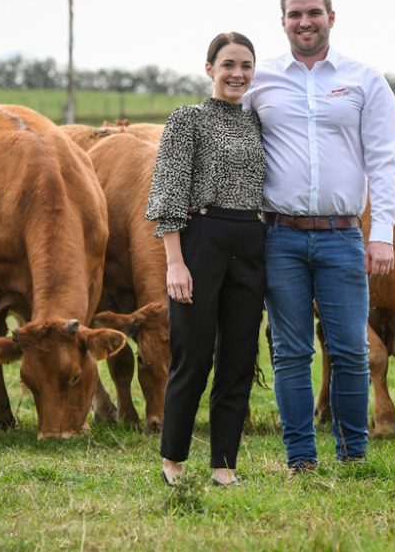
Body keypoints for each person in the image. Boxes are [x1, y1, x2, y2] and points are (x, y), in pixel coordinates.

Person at [243, 0, 395, 472]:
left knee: (350, 349)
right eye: (295, 14)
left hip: (342, 234)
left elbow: (383, 162)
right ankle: (300, 459)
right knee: (290, 352)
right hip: (280, 234)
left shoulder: (364, 79)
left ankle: (354, 455)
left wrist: (382, 234)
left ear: (332, 17)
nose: (304, 22)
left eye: (313, 12)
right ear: (283, 21)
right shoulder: (259, 81)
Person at [145, 32, 266, 487]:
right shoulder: (187, 120)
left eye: (246, 66)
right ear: (210, 68)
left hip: (251, 243)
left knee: (238, 359)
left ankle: (223, 466)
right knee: (192, 358)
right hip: (201, 240)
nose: (238, 74)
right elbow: (168, 191)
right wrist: (175, 262)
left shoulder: (256, 121)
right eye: (229, 64)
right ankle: (173, 460)